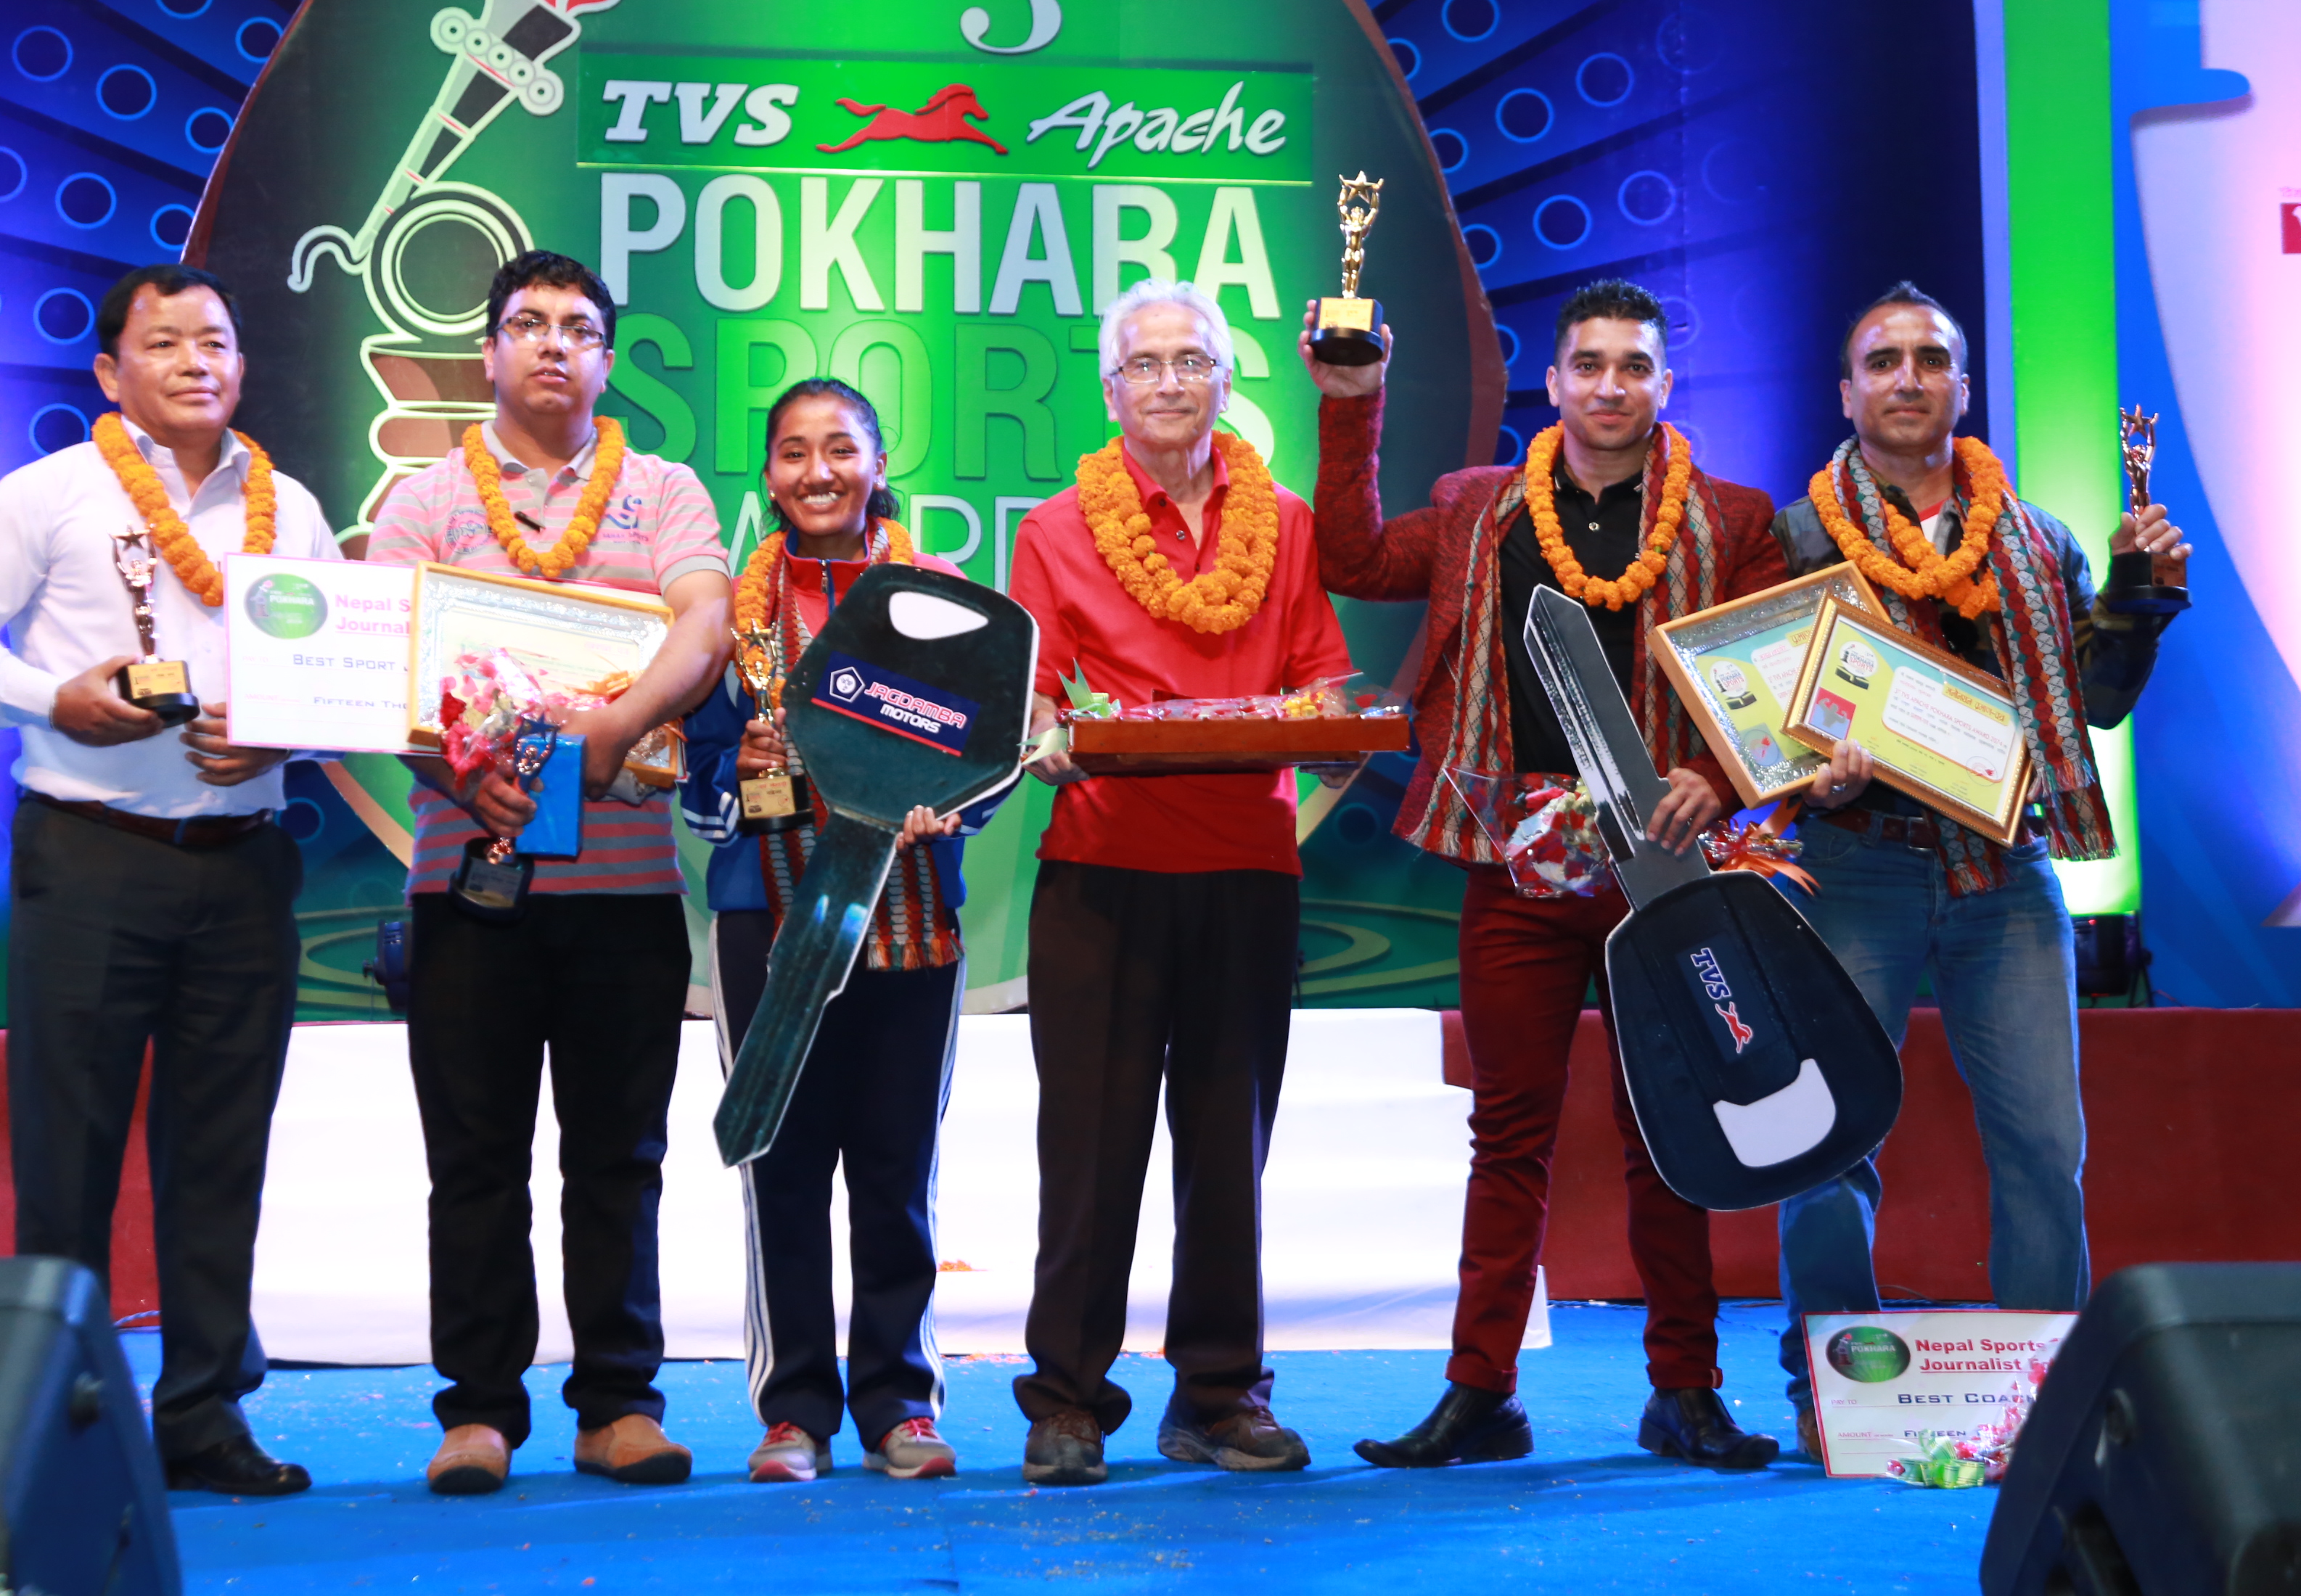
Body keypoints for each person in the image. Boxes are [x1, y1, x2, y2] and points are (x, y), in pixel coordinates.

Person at [1308, 276, 1788, 1473]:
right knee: (1507, 1133)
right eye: (1589, 365)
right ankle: (1483, 1392)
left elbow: (1783, 687)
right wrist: (1351, 404)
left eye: (1635, 366)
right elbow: (1353, 557)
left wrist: (1723, 786)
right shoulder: (1480, 508)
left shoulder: (1732, 521)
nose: (1611, 386)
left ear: (1665, 385)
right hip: (1512, 868)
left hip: (1663, 871)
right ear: (1555, 381)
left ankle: (1685, 1387)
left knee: (1673, 1131)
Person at [0, 263, 336, 1497]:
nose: (199, 360)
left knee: (220, 1151)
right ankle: (63, 1414)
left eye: (219, 340)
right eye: (168, 343)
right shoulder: (49, 495)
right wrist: (56, 697)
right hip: (91, 854)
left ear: (244, 366)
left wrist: (282, 736)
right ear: (111, 372)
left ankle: (204, 1414)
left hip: (245, 863)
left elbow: (333, 671)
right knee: (70, 1151)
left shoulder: (290, 510)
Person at [1771, 282, 2187, 1458]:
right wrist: (1813, 777)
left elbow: (2092, 707)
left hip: (2005, 877)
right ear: (1846, 392)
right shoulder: (1797, 539)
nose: (1908, 378)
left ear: (1962, 385)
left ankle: (2054, 1391)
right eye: (1883, 361)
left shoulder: (2041, 537)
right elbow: (1756, 712)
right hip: (1854, 862)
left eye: (1930, 360)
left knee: (2046, 1144)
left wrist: (2139, 598)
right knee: (1825, 1137)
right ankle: (1832, 1376)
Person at [365, 249, 731, 1495]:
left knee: (618, 1157)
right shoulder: (422, 503)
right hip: (468, 886)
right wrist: (465, 776)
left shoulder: (666, 491)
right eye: (528, 324)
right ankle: (477, 1410)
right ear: (488, 354)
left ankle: (619, 1403)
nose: (554, 346)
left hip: (627, 895)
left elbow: (704, 625)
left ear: (609, 360)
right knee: (474, 1159)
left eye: (580, 328)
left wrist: (612, 731)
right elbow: (384, 680)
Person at [1009, 277, 1354, 1487]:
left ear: (1224, 381)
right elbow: (1035, 700)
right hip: (1101, 867)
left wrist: (1315, 716)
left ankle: (1220, 1393)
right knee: (1090, 1150)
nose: (1169, 381)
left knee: (1227, 1147)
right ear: (1111, 392)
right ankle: (1067, 1401)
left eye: (1192, 361)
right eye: (1146, 364)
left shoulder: (1292, 523)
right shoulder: (1054, 530)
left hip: (1248, 867)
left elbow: (1322, 683)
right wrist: (1045, 730)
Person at [678, 377, 1005, 1485]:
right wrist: (741, 773)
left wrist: (954, 802)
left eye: (841, 450)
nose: (817, 472)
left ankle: (899, 1404)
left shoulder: (942, 600)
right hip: (765, 918)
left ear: (876, 461)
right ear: (767, 475)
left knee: (895, 1167)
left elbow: (988, 755)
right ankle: (794, 1411)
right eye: (793, 454)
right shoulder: (726, 612)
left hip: (910, 921)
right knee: (778, 1160)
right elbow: (692, 770)